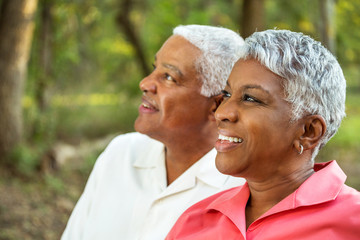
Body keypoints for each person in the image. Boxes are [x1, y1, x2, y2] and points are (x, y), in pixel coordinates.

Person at [166, 29, 360, 239]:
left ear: (308, 131)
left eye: (250, 98)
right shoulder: (195, 221)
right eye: (227, 94)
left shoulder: (352, 222)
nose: (222, 112)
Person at [61, 25, 246, 240]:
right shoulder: (120, 154)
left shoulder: (240, 193)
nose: (145, 83)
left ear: (216, 105)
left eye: (168, 77)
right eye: (153, 68)